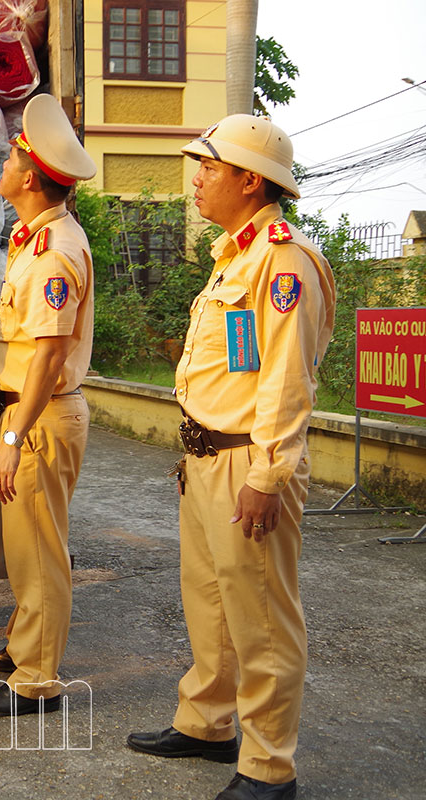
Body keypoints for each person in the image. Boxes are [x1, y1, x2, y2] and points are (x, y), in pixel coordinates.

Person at [125, 115, 335, 800]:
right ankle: (208, 723)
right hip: (211, 458)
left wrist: (269, 474)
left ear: (250, 180)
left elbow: (284, 379)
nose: (197, 180)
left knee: (262, 616)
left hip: (252, 462)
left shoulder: (284, 258)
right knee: (211, 600)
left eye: (209, 168)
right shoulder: (235, 256)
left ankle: (270, 768)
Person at [0, 93, 96, 717]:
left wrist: (11, 442)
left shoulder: (53, 251)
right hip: (32, 412)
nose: (4, 162)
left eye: (12, 155)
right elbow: (35, 334)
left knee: (39, 553)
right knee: (29, 544)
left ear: (29, 177)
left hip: (37, 418)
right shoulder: (36, 239)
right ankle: (22, 644)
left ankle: (36, 681)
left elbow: (52, 357)